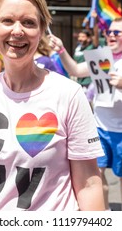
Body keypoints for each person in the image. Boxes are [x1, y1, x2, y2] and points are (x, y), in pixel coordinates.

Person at [0, 0, 105, 211]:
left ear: (42, 29)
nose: (17, 31)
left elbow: (88, 184)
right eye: (7, 20)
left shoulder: (68, 94)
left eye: (29, 22)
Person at [48, 17, 122, 210]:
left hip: (121, 132)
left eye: (117, 32)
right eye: (109, 32)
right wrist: (61, 50)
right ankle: (105, 215)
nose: (111, 36)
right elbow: (76, 70)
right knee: (96, 174)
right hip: (99, 128)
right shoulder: (101, 56)